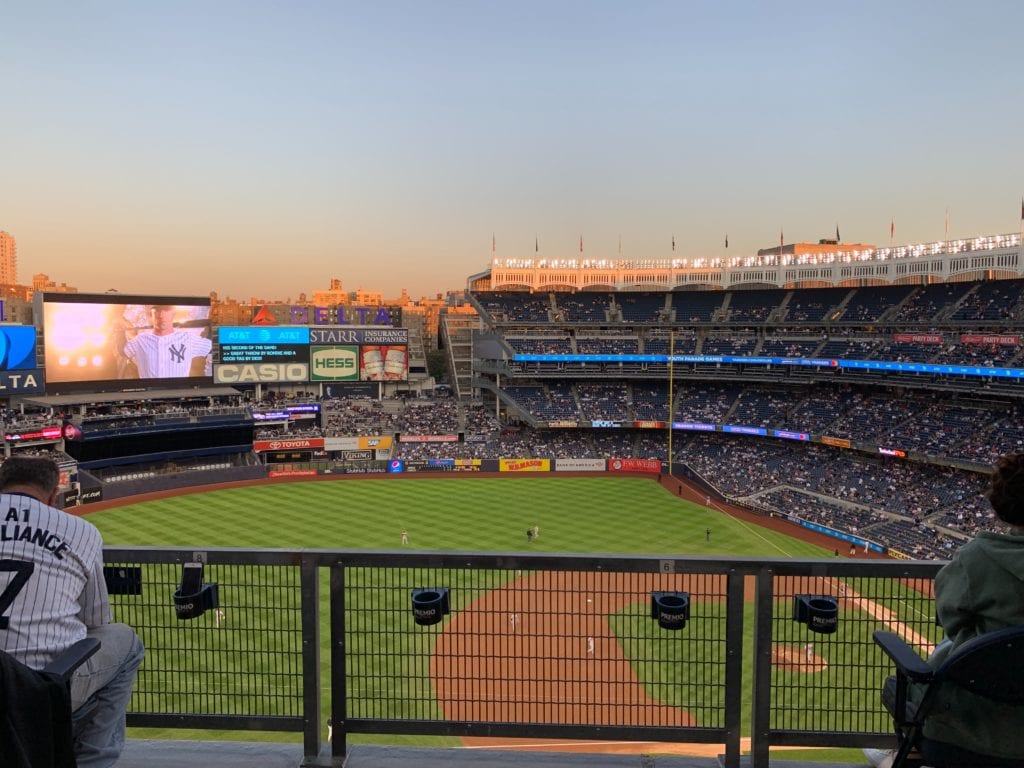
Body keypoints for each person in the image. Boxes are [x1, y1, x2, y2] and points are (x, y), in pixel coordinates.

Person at [865, 452, 1024, 766]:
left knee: (899, 686)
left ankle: (907, 751)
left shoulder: (978, 557)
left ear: (1002, 504)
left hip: (960, 739)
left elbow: (950, 620)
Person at [0, 456, 144, 767]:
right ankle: (92, 761)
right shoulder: (81, 530)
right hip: (44, 686)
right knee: (126, 641)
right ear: (54, 495)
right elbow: (96, 620)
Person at [121, 304, 212, 379]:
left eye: (166, 310)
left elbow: (215, 346)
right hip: (148, 393)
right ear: (151, 314)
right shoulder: (140, 340)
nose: (161, 315)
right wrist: (119, 331)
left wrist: (216, 325)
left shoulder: (188, 338)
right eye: (157, 310)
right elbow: (123, 352)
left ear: (173, 312)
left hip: (178, 392)